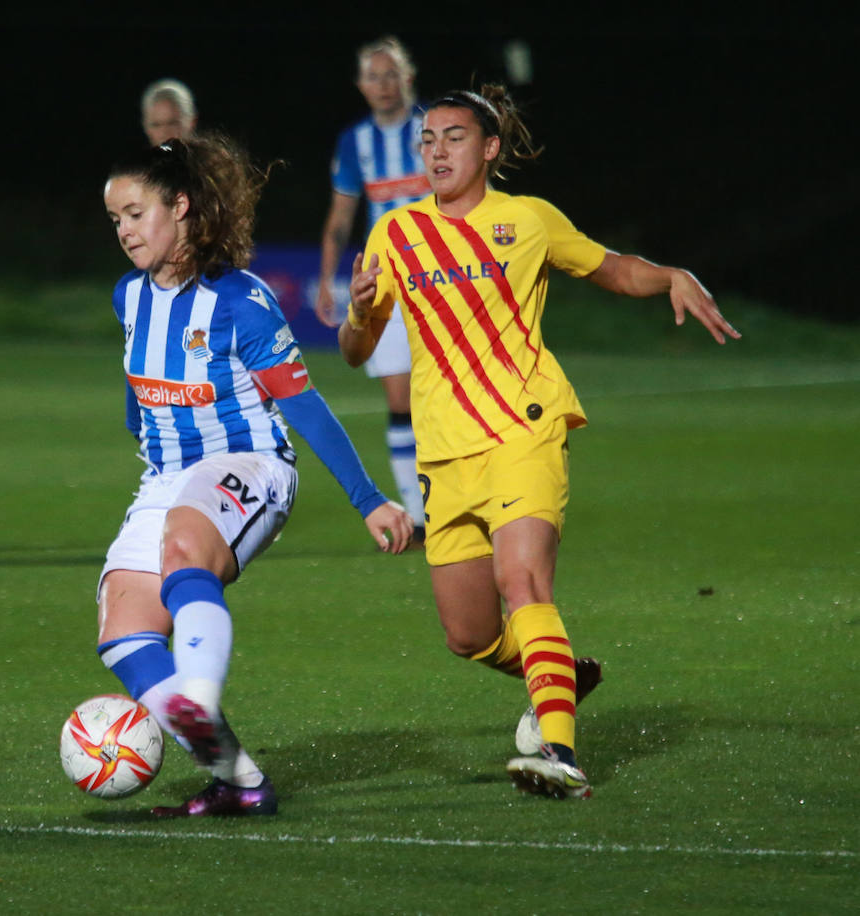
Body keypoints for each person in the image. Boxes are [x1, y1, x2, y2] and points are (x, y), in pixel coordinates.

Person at [338, 85, 739, 800]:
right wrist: (359, 313)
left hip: (524, 429)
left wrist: (671, 276)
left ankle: (561, 753)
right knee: (468, 636)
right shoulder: (395, 234)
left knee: (522, 582)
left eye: (453, 137)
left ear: (489, 149)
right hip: (443, 451)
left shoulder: (527, 220)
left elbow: (612, 267)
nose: (435, 150)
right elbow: (355, 347)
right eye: (427, 139)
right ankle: (560, 675)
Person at [99, 134, 413, 817]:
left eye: (134, 212)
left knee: (185, 547)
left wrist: (368, 500)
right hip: (167, 476)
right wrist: (145, 437)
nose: (123, 231)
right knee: (123, 631)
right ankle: (240, 782)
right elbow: (137, 390)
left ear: (179, 205)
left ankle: (198, 700)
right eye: (115, 219)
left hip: (250, 465)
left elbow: (304, 403)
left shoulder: (239, 300)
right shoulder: (130, 296)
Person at [315, 36, 430, 534]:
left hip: (446, 279)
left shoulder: (436, 127)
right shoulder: (354, 141)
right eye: (373, 77)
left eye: (391, 74)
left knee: (449, 395)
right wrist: (326, 277)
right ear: (361, 86)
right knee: (400, 399)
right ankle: (421, 514)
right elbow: (341, 218)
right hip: (388, 282)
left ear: (408, 76)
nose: (383, 85)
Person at [140, 78, 198, 146]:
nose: (163, 133)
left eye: (172, 123)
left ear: (192, 123)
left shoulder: (208, 156)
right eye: (156, 125)